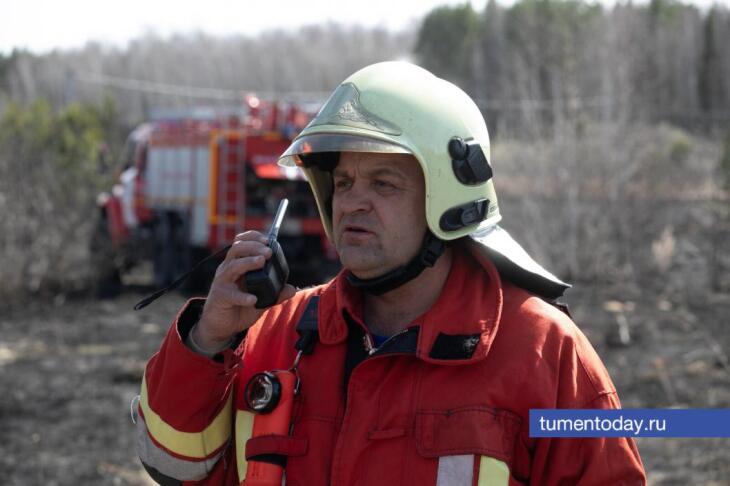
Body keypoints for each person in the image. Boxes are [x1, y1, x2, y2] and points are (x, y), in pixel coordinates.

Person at [135, 62, 646, 485]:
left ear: (450, 198)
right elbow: (172, 465)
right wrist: (206, 342)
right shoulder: (274, 336)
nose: (352, 202)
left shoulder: (545, 353)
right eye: (344, 182)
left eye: (383, 183)